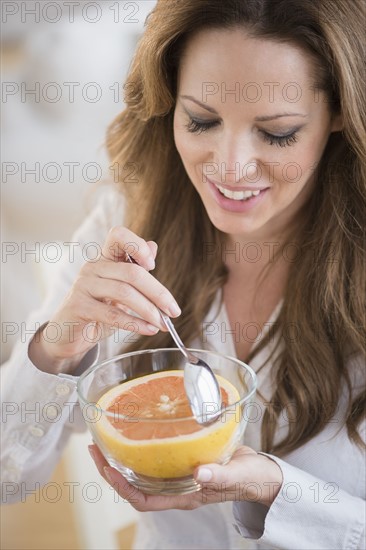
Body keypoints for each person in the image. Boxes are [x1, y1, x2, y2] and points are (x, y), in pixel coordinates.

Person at [1, 0, 365, 548]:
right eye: (201, 120)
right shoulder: (128, 221)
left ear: (341, 112)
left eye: (278, 133)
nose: (229, 167)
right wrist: (59, 342)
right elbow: (8, 477)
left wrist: (279, 494)